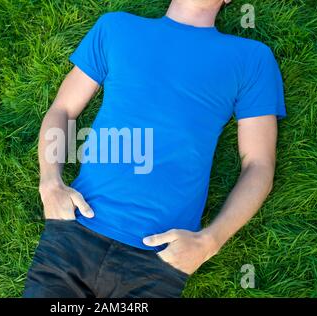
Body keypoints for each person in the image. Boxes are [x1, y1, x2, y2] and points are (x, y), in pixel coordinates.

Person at [24, 0, 286, 298]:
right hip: (74, 234)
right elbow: (63, 110)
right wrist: (49, 184)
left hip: (157, 259)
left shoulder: (252, 58)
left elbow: (259, 164)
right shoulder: (116, 27)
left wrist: (210, 242)